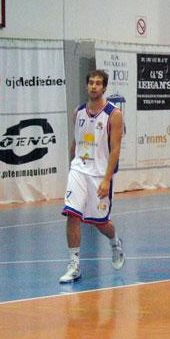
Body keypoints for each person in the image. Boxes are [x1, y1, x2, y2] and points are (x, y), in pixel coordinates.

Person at [59, 70, 125, 283]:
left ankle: (115, 242)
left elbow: (115, 150)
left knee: (100, 222)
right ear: (87, 85)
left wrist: (107, 179)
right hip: (78, 170)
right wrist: (71, 167)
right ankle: (74, 265)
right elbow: (75, 142)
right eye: (91, 83)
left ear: (104, 88)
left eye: (98, 83)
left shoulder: (113, 114)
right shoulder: (78, 112)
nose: (94, 86)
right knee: (72, 214)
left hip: (99, 174)